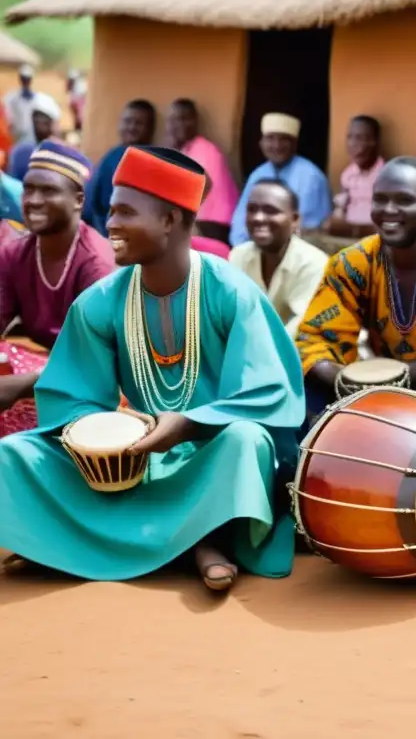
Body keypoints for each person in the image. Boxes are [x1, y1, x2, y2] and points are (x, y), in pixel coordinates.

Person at [0, 145, 305, 591]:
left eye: (125, 212)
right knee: (15, 454)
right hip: (135, 459)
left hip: (210, 452)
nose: (111, 225)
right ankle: (179, 543)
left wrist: (188, 425)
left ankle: (207, 538)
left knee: (246, 441)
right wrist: (107, 431)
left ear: (169, 220)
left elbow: (267, 395)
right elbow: (71, 396)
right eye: (110, 211)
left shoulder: (231, 293)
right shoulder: (102, 302)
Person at [297, 156, 416, 414]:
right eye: (380, 199)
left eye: (404, 200)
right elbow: (316, 338)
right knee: (306, 387)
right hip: (376, 385)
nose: (389, 210)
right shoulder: (352, 263)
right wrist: (342, 377)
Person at [0, 141, 112, 436]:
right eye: (28, 189)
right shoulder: (15, 253)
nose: (33, 200)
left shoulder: (97, 264)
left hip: (91, 381)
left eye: (48, 191)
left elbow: (95, 362)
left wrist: (20, 386)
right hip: (39, 366)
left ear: (78, 200)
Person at [230, 179, 328, 336]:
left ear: (295, 219)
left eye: (271, 211)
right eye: (252, 209)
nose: (258, 218)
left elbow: (304, 328)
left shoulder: (313, 263)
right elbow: (230, 314)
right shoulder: (239, 255)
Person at [230, 113, 332, 246]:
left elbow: (308, 229)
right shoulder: (257, 174)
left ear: (295, 144)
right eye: (270, 138)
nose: (276, 145)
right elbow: (239, 224)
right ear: (261, 143)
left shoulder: (311, 177)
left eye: (284, 139)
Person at [167, 98, 239, 246]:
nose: (178, 125)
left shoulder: (206, 151)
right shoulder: (186, 149)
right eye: (173, 120)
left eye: (184, 119)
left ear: (195, 121)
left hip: (211, 227)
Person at [85, 99, 156, 236]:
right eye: (127, 121)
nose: (131, 127)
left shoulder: (150, 160)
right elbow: (92, 200)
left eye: (139, 123)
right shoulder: (112, 155)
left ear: (150, 129)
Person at [323, 115, 385, 240]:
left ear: (375, 142)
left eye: (359, 138)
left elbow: (389, 225)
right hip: (349, 240)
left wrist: (353, 229)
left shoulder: (387, 176)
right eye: (349, 138)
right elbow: (340, 210)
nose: (352, 144)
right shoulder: (348, 174)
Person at [7, 93, 63, 181]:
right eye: (36, 118)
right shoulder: (22, 151)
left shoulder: (62, 153)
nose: (38, 123)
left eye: (43, 120)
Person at [2, 64, 50, 146]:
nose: (25, 81)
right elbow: (6, 112)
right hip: (16, 136)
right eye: (24, 79)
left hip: (31, 137)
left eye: (27, 79)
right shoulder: (12, 97)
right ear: (20, 79)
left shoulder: (38, 99)